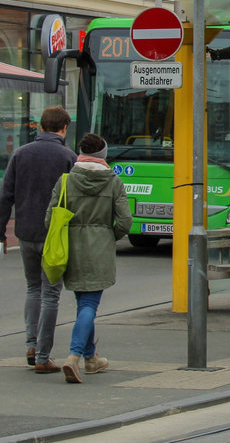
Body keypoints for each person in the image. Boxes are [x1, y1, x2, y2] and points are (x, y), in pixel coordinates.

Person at [0, 106, 76, 374]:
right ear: (64, 128)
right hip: (54, 236)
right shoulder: (69, 157)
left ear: (41, 127)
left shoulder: (20, 154)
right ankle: (43, 357)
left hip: (26, 233)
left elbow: (5, 195)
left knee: (32, 288)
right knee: (51, 295)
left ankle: (31, 345)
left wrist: (2, 232)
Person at [50, 133, 131, 383]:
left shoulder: (65, 181)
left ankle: (91, 359)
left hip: (71, 249)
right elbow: (126, 221)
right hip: (99, 248)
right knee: (89, 306)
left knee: (83, 303)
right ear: (103, 155)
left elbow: (49, 218)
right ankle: (74, 357)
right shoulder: (114, 182)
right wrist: (109, 235)